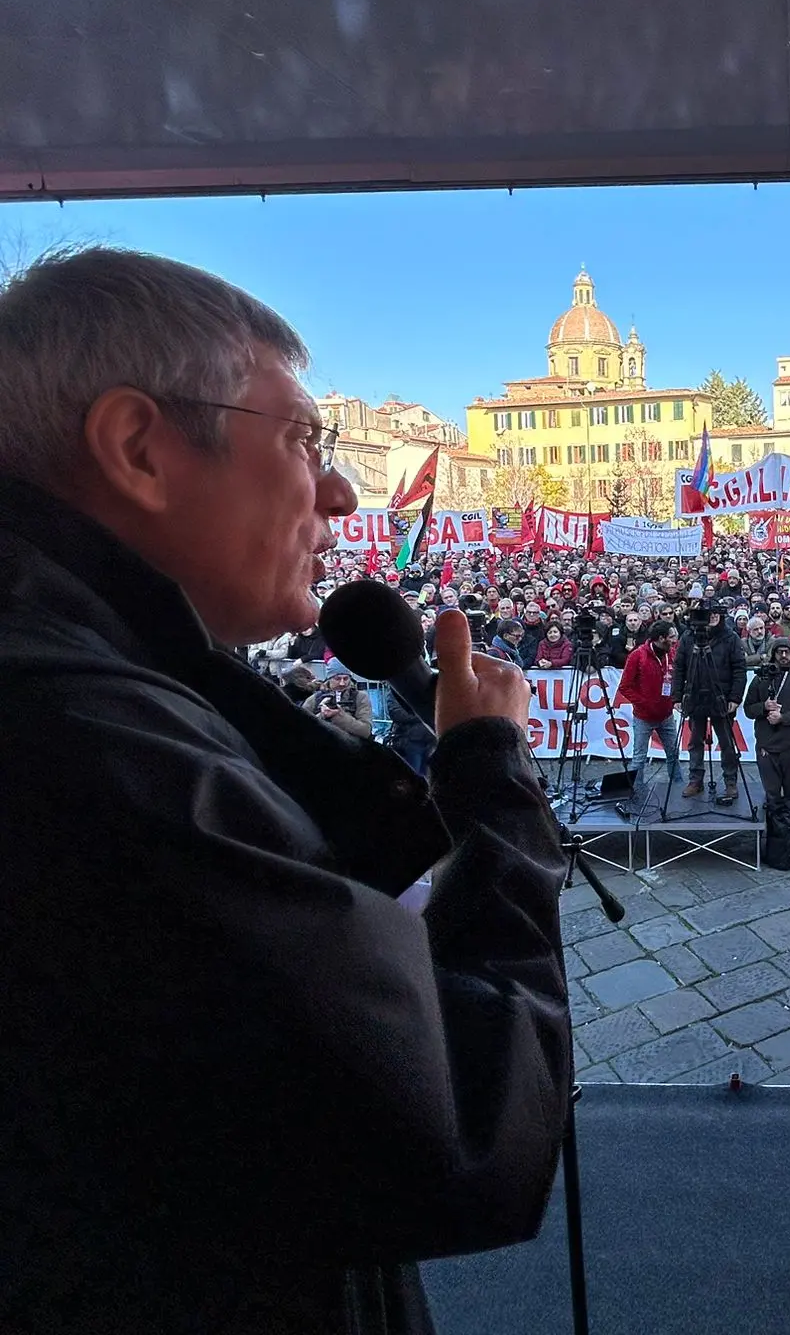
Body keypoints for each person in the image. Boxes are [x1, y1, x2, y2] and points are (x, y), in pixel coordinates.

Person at [0, 247, 570, 1332]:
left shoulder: (106, 684)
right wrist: (496, 790)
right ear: (139, 448)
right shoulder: (96, 742)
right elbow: (468, 1123)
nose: (344, 493)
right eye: (307, 440)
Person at [675, 598, 747, 804]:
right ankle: (695, 779)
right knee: (695, 740)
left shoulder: (730, 637)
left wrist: (735, 697)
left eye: (716, 613)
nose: (713, 616)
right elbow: (679, 667)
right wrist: (677, 696)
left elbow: (739, 669)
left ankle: (730, 781)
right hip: (696, 695)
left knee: (726, 742)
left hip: (721, 696)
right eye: (709, 613)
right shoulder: (689, 637)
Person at [743, 635, 790, 809]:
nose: (783, 656)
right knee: (772, 796)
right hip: (767, 746)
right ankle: (773, 832)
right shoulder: (760, 679)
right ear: (773, 654)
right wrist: (763, 706)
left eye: (787, 652)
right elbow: (748, 709)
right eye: (779, 652)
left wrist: (783, 718)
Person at [616, 620, 683, 782]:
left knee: (673, 754)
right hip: (643, 717)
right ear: (661, 638)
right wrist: (644, 703)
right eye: (672, 637)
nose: (675, 640)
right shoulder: (637, 656)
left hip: (666, 715)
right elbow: (624, 687)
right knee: (639, 758)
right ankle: (636, 791)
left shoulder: (672, 653)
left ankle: (678, 787)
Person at [303, 656, 375, 740]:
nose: (342, 683)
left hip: (353, 748)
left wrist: (338, 716)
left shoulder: (360, 697)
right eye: (337, 679)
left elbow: (365, 731)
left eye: (346, 678)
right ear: (329, 678)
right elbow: (302, 728)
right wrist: (322, 716)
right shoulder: (314, 699)